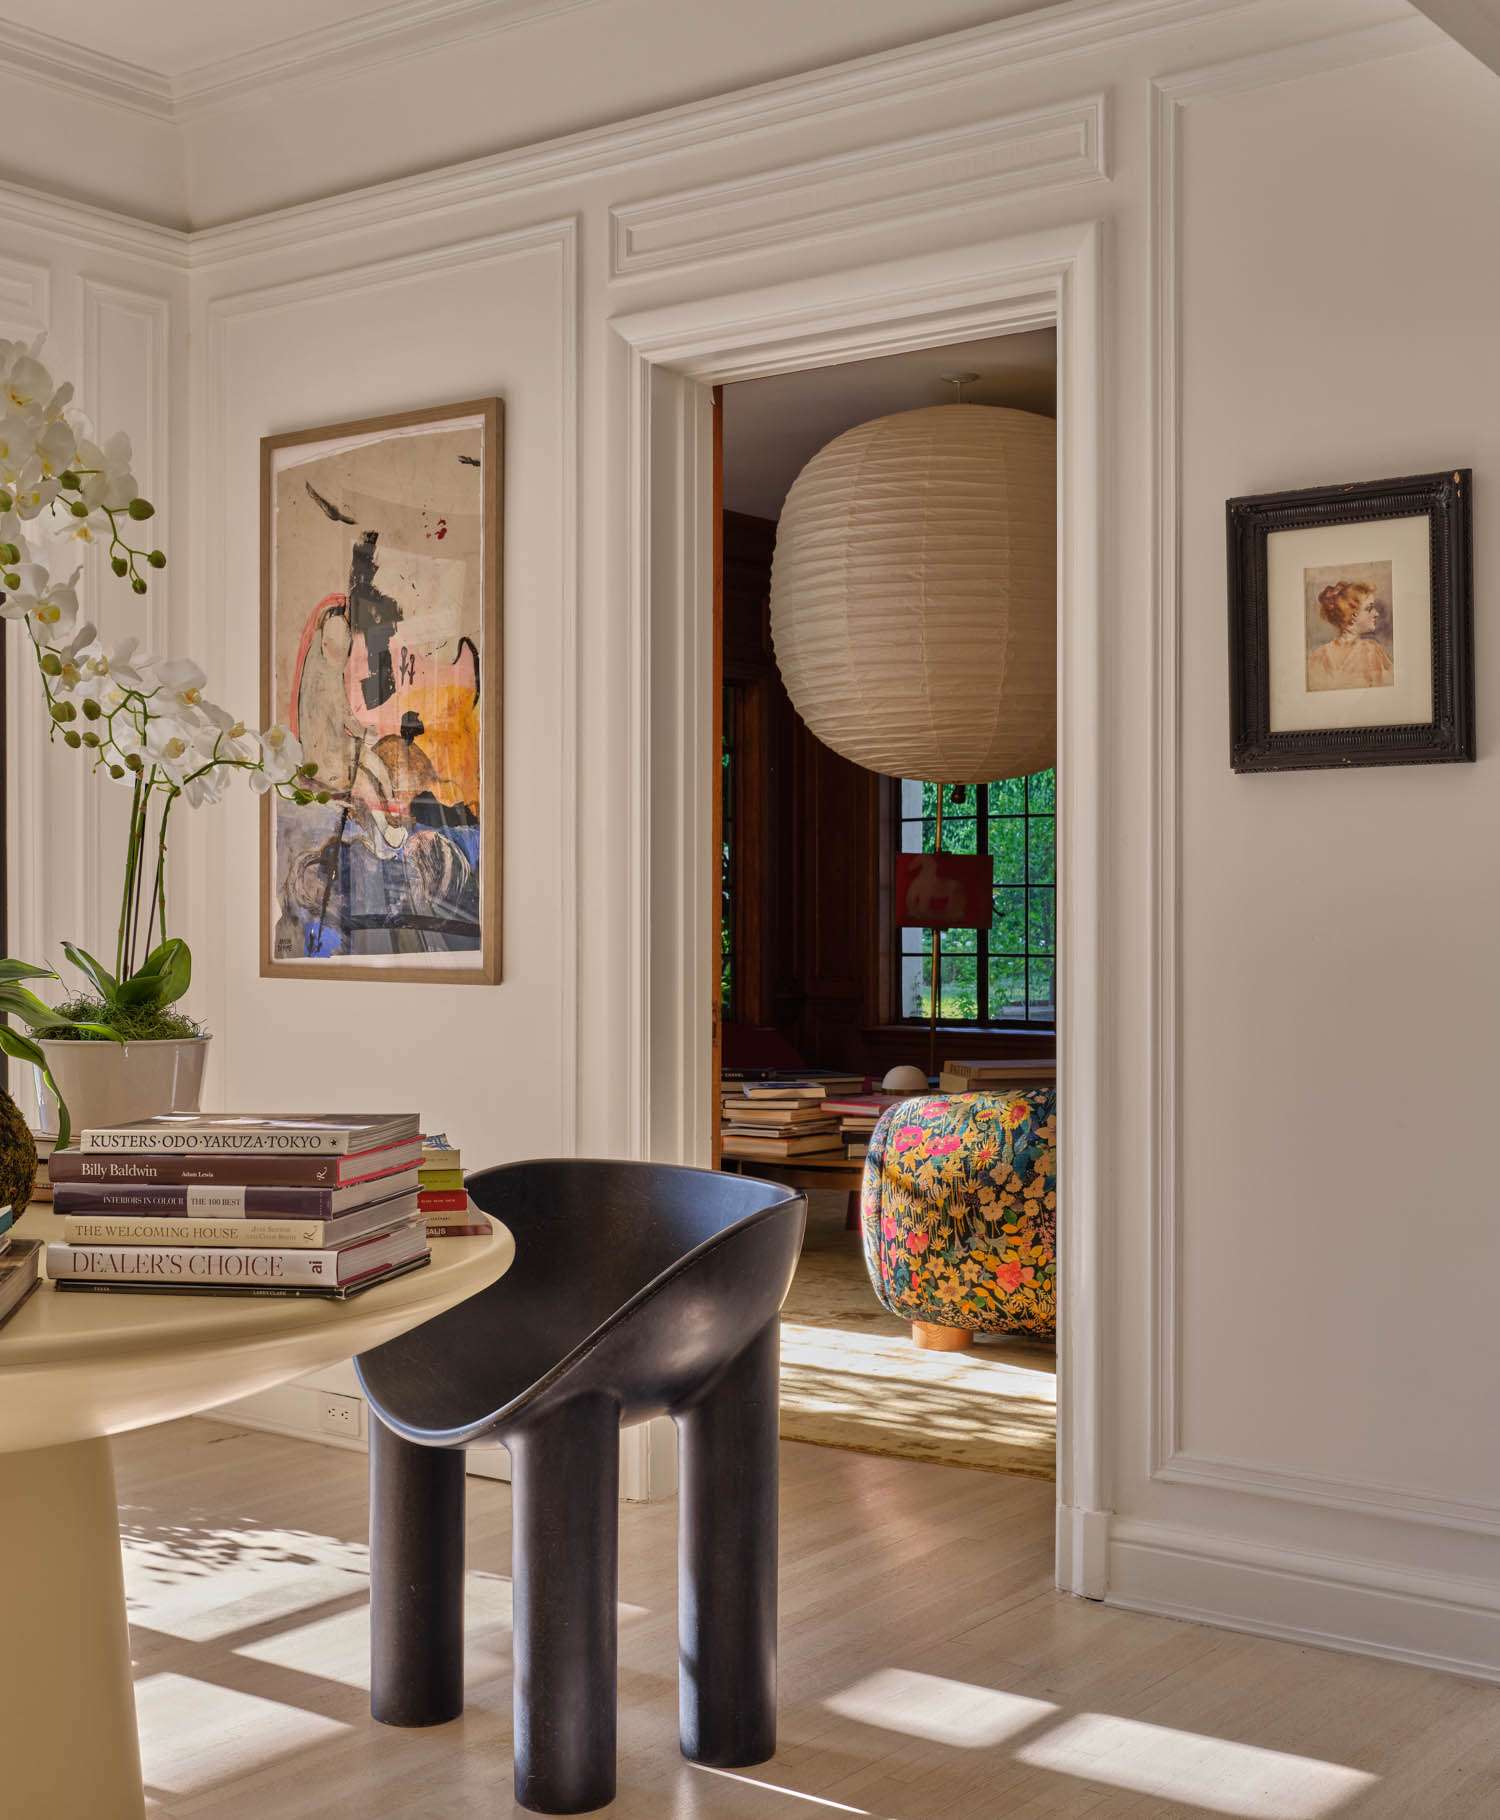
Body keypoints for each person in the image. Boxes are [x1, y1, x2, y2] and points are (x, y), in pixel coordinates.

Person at [1306, 579, 1393, 691]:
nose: (1376, 613)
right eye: (1369, 608)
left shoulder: (1318, 655)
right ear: (1352, 616)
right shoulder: (1371, 651)